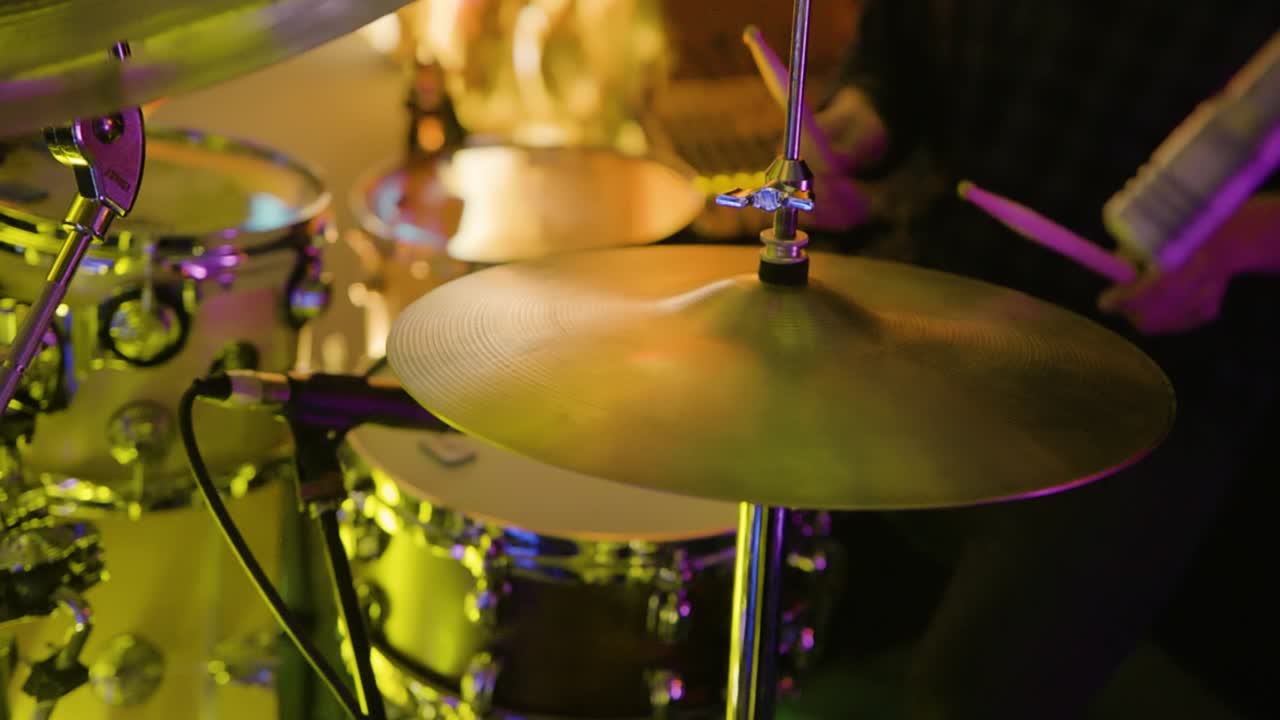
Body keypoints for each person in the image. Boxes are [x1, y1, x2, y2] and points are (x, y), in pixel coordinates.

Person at [800, 2, 1280, 717]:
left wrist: (1236, 242)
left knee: (968, 696)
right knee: (723, 542)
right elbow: (896, 54)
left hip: (1154, 373)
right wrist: (860, 123)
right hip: (941, 290)